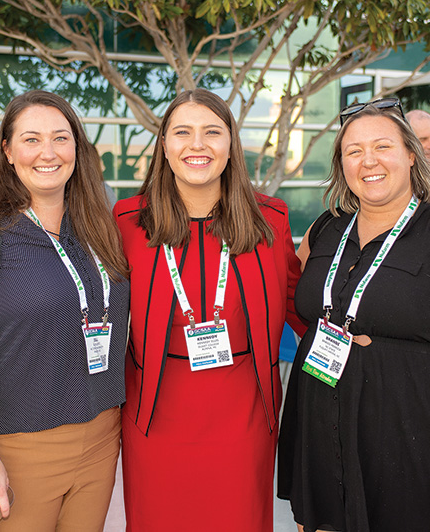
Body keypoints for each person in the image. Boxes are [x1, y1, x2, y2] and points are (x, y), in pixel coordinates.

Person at [278, 98, 430, 532]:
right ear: (342, 164)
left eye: (382, 146)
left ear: (411, 154)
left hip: (418, 441)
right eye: (353, 151)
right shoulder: (323, 231)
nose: (368, 160)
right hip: (322, 429)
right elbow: (302, 305)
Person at [0, 90, 130, 530]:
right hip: (18, 448)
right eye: (31, 139)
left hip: (101, 440)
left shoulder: (97, 227)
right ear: (7, 150)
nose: (48, 153)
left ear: (77, 147)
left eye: (61, 138)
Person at [113, 88, 305, 532]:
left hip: (244, 420)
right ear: (164, 144)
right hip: (154, 419)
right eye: (183, 132)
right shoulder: (126, 221)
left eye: (211, 132)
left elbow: (302, 303)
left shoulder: (270, 219)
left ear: (230, 143)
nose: (197, 145)